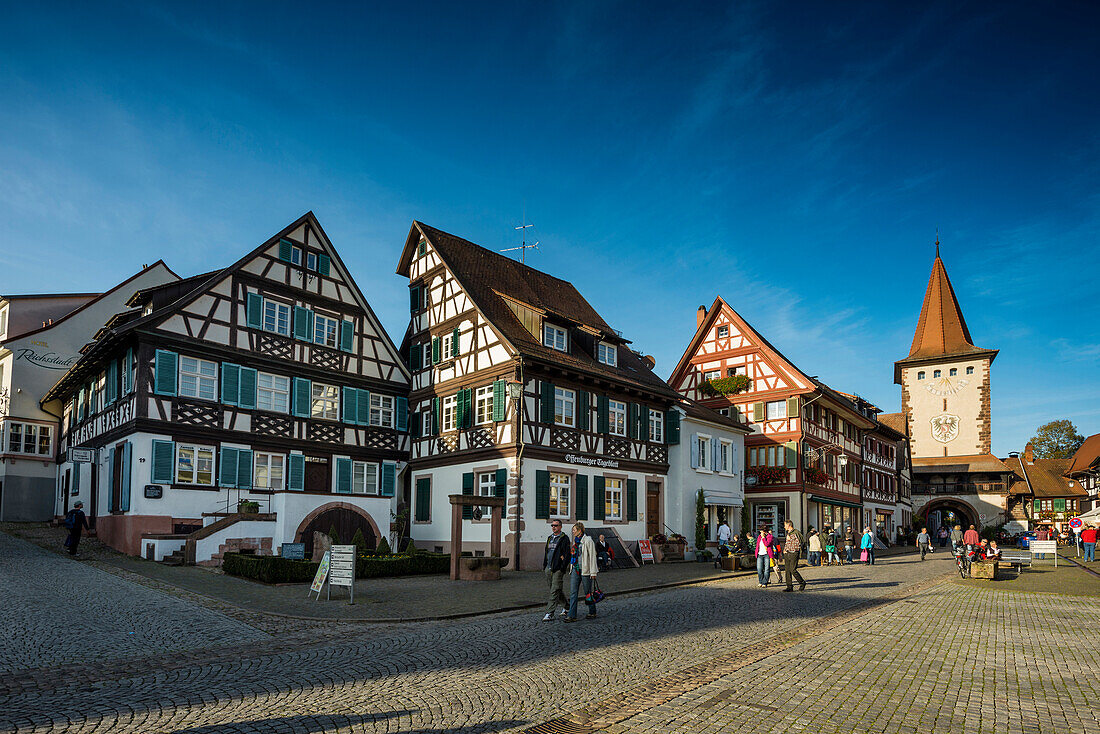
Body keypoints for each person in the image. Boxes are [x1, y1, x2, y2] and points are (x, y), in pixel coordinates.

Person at [565, 523, 599, 622]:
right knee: (573, 592)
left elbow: (592, 557)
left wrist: (593, 572)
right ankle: (572, 615)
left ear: (580, 530)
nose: (573, 531)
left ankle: (592, 611)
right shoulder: (575, 541)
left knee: (588, 592)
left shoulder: (588, 540)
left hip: (586, 570)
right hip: (575, 569)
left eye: (574, 530)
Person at [542, 520, 571, 621]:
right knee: (555, 589)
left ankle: (549, 613)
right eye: (552, 525)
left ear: (560, 527)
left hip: (558, 568)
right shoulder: (550, 538)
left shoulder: (564, 538)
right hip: (549, 568)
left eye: (556, 525)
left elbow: (567, 554)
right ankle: (567, 606)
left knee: (554, 590)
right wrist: (545, 565)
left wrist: (563, 567)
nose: (553, 527)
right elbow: (547, 552)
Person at [782, 520, 806, 592]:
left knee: (793, 570)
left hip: (794, 553)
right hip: (787, 553)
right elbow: (787, 543)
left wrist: (790, 539)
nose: (784, 527)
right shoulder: (789, 533)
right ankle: (789, 586)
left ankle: (802, 582)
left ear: (789, 525)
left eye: (785, 525)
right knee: (787, 570)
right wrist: (785, 549)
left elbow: (798, 544)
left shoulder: (795, 533)